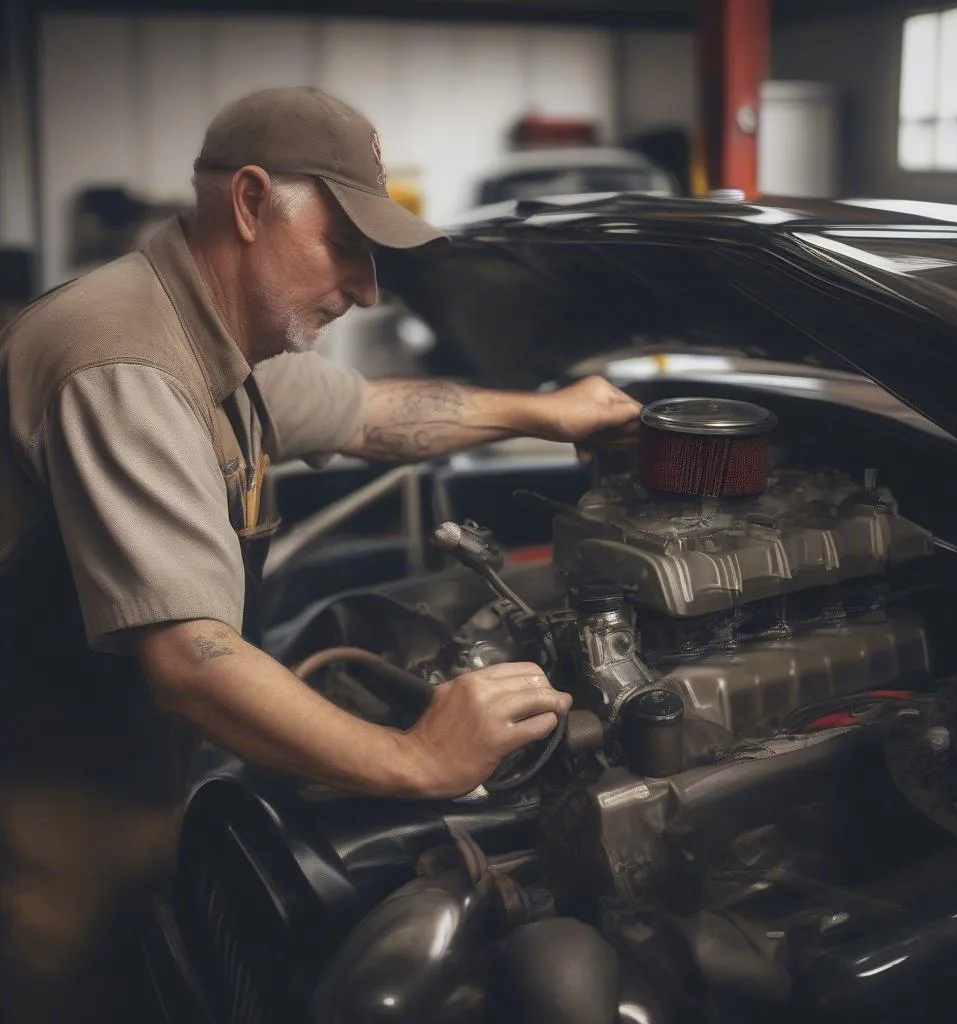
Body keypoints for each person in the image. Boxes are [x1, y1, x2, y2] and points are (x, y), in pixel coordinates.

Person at [0, 87, 640, 1022]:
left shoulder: (217, 341)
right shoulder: (125, 361)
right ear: (251, 204)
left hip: (137, 755)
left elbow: (372, 415)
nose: (368, 288)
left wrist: (550, 412)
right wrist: (414, 757)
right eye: (345, 246)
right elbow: (189, 661)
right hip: (49, 790)